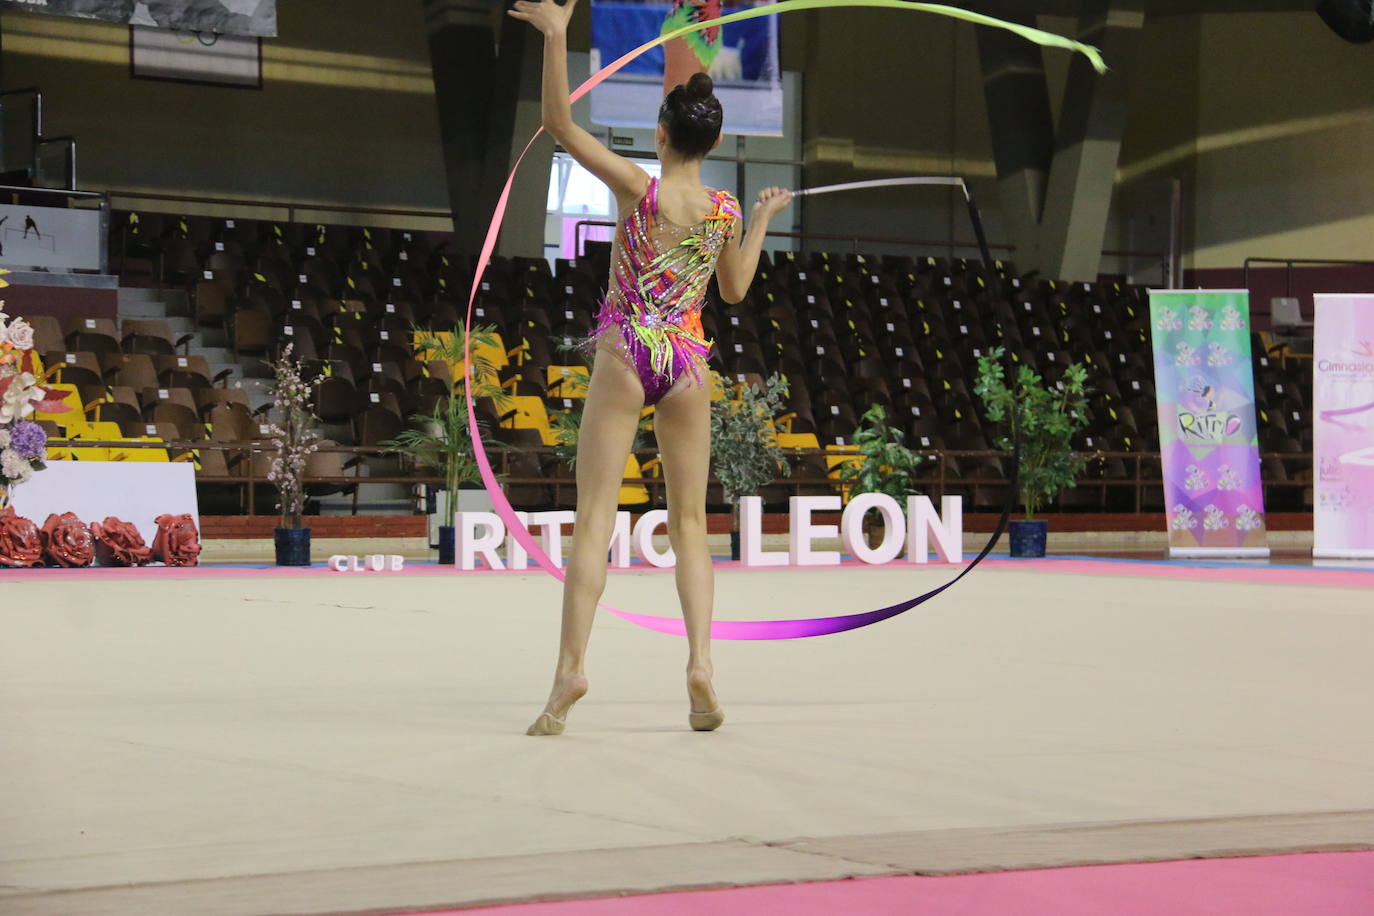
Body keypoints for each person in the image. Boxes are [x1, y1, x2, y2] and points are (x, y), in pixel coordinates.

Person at [507, 0, 791, 735]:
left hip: (629, 348)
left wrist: (559, 37)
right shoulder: (723, 207)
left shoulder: (643, 189)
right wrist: (758, 222)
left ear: (660, 135)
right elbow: (734, 290)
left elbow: (560, 127)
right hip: (689, 364)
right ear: (715, 137)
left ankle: (570, 671)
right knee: (692, 523)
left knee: (597, 518)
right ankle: (700, 664)